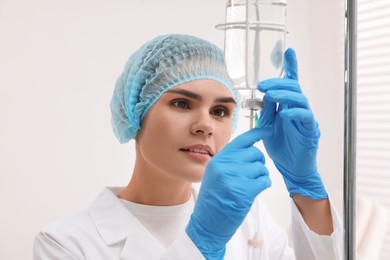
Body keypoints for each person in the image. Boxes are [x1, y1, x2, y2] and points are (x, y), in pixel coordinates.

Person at [33, 34, 343, 260]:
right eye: (182, 104)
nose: (205, 125)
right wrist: (202, 242)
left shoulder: (250, 221)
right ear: (134, 111)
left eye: (220, 111)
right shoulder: (65, 243)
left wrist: (304, 188)